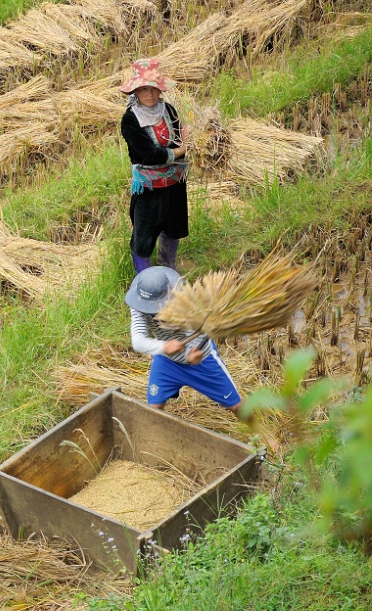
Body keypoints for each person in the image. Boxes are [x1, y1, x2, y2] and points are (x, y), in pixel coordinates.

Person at [126, 266, 247, 418]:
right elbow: (138, 341)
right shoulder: (139, 303)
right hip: (167, 360)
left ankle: (263, 438)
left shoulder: (184, 298)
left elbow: (203, 328)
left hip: (202, 360)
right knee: (154, 409)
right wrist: (164, 346)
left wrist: (196, 353)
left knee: (235, 405)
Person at [119, 57, 192, 274]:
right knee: (144, 236)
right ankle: (145, 279)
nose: (149, 94)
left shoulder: (168, 110)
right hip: (149, 189)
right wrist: (181, 150)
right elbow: (150, 155)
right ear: (135, 93)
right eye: (143, 89)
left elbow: (179, 137)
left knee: (173, 227)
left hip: (174, 183)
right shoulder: (130, 120)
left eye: (153, 89)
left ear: (160, 90)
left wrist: (192, 138)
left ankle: (168, 269)